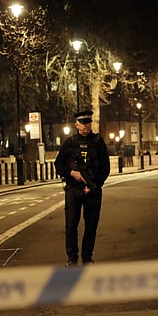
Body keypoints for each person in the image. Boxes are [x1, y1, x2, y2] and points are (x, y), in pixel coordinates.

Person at [55, 110, 110, 266]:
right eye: (82, 123)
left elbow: (105, 168)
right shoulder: (70, 143)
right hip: (73, 189)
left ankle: (87, 257)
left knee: (91, 225)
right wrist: (71, 172)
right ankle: (72, 258)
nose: (86, 126)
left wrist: (95, 185)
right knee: (71, 225)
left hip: (92, 190)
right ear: (76, 124)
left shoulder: (98, 143)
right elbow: (59, 164)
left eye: (88, 122)